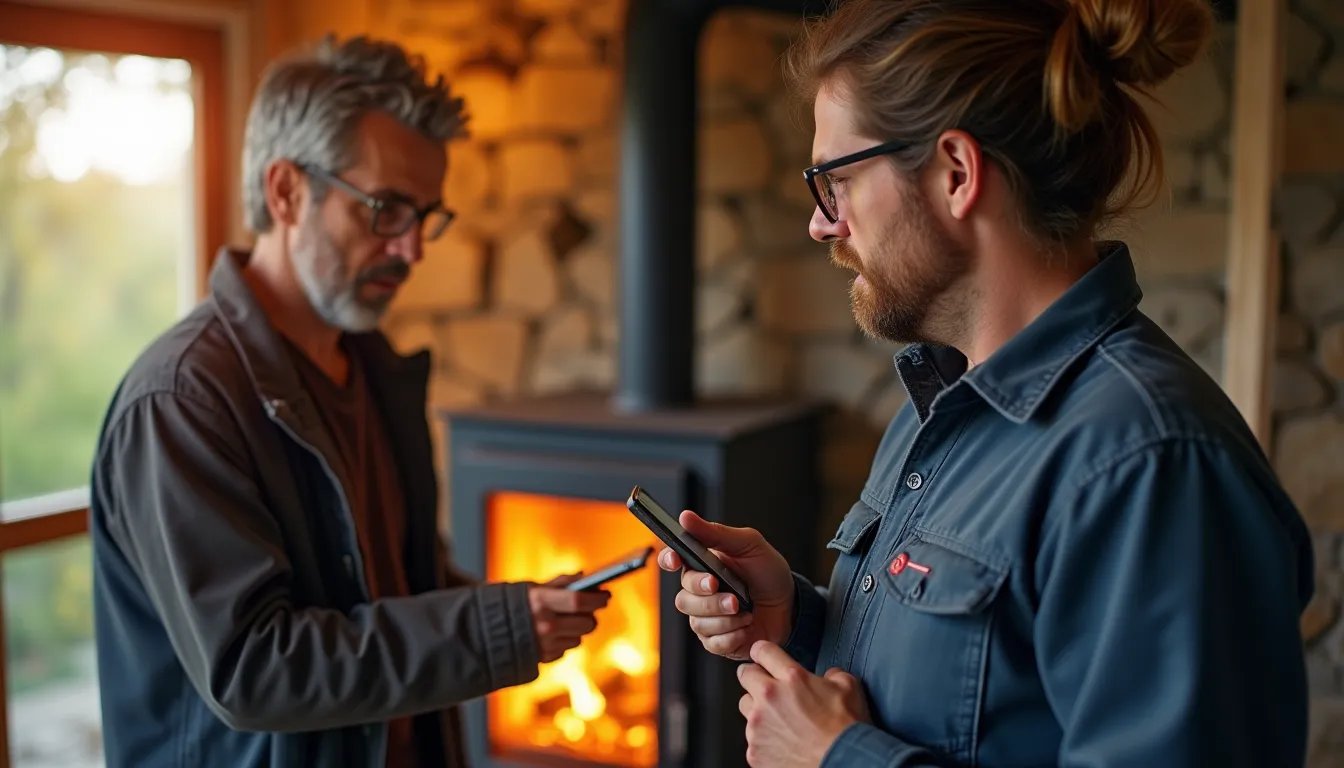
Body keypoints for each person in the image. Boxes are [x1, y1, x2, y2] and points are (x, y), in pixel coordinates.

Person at [660, 0, 1314, 766]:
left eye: (837, 180)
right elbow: (976, 690)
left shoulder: (1152, 466)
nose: (822, 224)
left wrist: (838, 758)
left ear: (957, 174)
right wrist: (799, 619)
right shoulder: (940, 406)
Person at [90, 35, 608, 768]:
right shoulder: (182, 400)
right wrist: (492, 630)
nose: (412, 250)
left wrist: (519, 609)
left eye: (425, 215)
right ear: (286, 192)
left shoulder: (372, 370)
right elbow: (253, 668)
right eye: (386, 209)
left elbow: (389, 587)